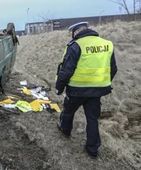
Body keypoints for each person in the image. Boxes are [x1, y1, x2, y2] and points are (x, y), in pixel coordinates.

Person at [55, 21, 118, 158]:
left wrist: (59, 88)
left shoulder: (76, 45)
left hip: (76, 90)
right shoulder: (107, 44)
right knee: (92, 119)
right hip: (97, 91)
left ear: (75, 32)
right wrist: (101, 83)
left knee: (68, 111)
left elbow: (66, 71)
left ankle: (65, 129)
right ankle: (92, 149)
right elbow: (113, 69)